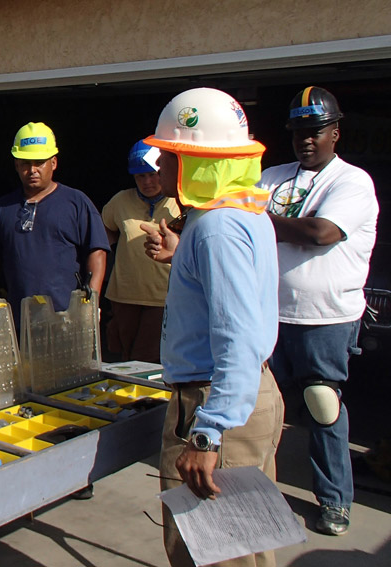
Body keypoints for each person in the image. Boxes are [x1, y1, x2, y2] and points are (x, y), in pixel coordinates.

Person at [142, 87, 283, 567]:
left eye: (169, 157)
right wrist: (182, 253)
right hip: (243, 394)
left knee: (214, 553)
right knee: (244, 548)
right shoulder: (240, 214)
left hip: (214, 400)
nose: (157, 166)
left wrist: (207, 435)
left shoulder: (217, 229)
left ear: (196, 163)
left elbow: (238, 336)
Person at [259, 86, 378, 536]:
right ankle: (257, 489)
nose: (306, 140)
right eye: (298, 132)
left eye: (316, 131)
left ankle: (334, 501)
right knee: (264, 407)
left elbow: (321, 231)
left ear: (335, 133)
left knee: (321, 404)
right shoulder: (272, 176)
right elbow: (234, 212)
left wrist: (260, 222)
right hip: (270, 313)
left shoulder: (352, 181)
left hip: (325, 317)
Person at [0, 122, 108, 332]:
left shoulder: (76, 202)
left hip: (67, 318)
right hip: (19, 320)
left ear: (53, 163)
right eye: (25, 163)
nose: (32, 170)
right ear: (16, 165)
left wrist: (91, 301)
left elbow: (96, 251)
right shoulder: (2, 208)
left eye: (39, 162)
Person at [101, 139, 179, 363]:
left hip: (162, 296)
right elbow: (106, 230)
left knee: (146, 356)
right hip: (124, 294)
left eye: (153, 174)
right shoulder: (120, 201)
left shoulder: (179, 201)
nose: (147, 181)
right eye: (140, 176)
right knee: (124, 355)